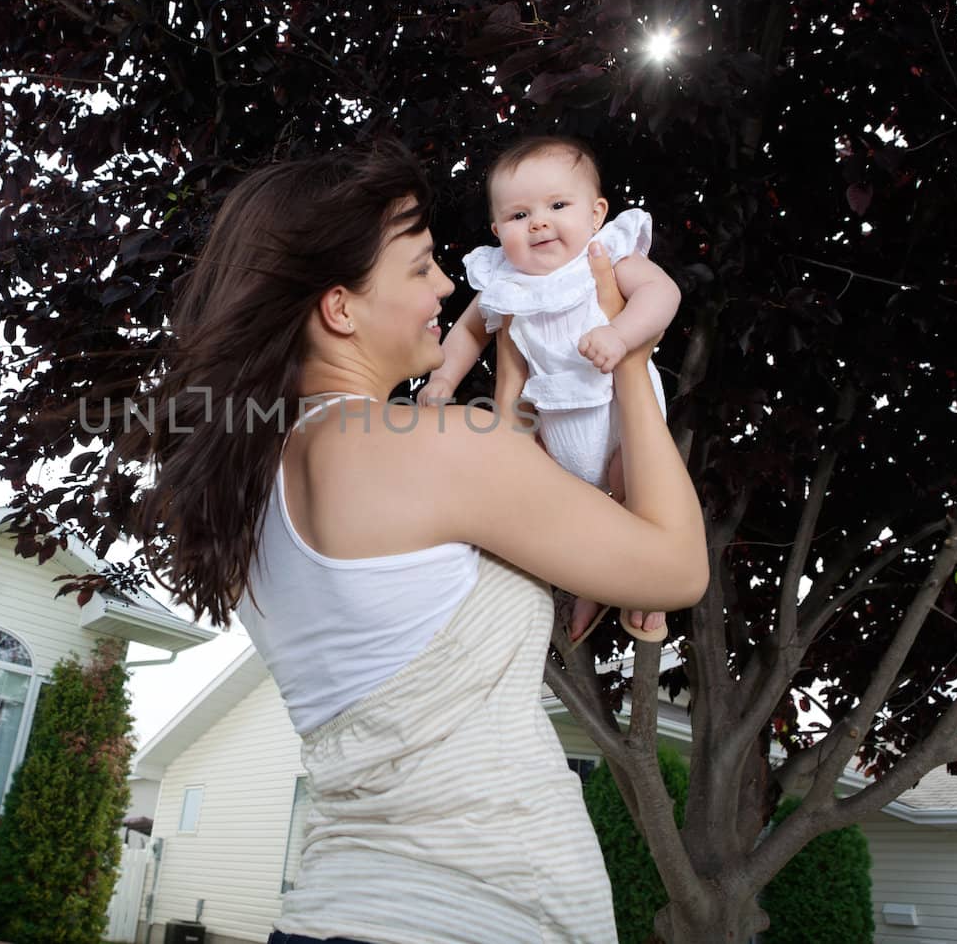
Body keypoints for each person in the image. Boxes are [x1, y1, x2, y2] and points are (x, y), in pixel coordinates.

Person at [124, 141, 707, 944]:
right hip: (470, 917)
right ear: (340, 308)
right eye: (422, 265)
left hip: (335, 911)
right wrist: (630, 358)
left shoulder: (252, 484)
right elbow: (676, 566)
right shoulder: (429, 445)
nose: (446, 284)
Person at [418, 136, 681, 648]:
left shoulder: (604, 256)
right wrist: (443, 379)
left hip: (616, 414)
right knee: (560, 507)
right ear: (497, 231)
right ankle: (589, 581)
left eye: (558, 206)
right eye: (518, 215)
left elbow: (662, 293)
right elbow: (470, 333)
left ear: (596, 212)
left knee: (634, 498)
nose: (538, 222)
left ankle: (643, 588)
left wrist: (620, 335)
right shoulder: (503, 283)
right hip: (552, 426)